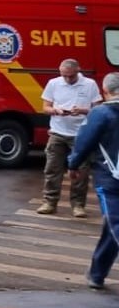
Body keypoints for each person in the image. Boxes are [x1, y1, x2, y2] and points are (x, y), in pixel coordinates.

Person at [70, 73, 119, 288]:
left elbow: (84, 142)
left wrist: (73, 164)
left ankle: (97, 273)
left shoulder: (101, 113)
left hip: (110, 181)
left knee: (115, 223)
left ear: (105, 91)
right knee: (113, 225)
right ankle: (97, 273)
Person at [41, 58, 102, 217]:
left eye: (71, 76)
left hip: (81, 133)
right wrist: (55, 110)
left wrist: (82, 110)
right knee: (52, 168)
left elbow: (98, 110)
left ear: (78, 71)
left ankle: (78, 205)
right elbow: (45, 107)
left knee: (81, 171)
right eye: (64, 76)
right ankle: (49, 202)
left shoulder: (89, 84)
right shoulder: (53, 83)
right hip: (57, 132)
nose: (67, 79)